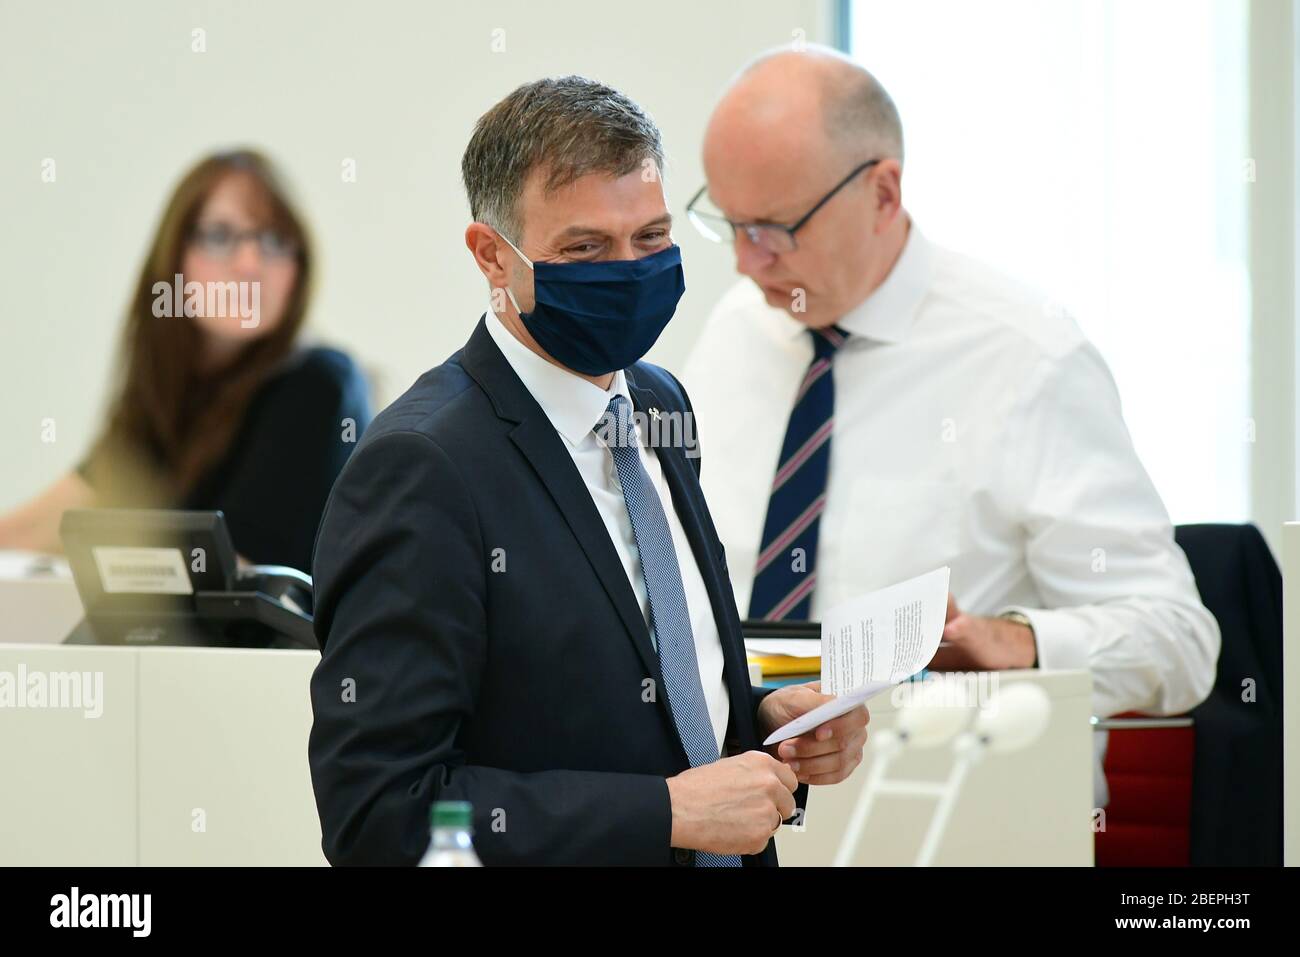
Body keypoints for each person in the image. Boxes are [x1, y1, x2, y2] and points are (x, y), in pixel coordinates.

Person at [307, 75, 868, 867]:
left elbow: (644, 679)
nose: (630, 270)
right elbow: (382, 816)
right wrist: (664, 810)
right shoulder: (422, 468)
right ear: (491, 256)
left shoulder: (659, 403)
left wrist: (768, 725)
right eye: (584, 249)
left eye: (650, 238)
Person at [681, 45, 1220, 723]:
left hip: (941, 795)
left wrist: (1019, 640)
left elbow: (1181, 639)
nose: (745, 262)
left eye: (775, 229)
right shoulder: (737, 331)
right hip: (744, 795)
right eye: (730, 224)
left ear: (882, 193)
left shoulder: (1028, 356)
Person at [0, 150, 372, 573]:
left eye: (273, 241)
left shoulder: (319, 385)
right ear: (173, 255)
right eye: (219, 235)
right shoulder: (166, 400)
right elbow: (34, 527)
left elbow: (229, 584)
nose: (249, 263)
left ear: (298, 269)